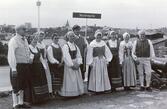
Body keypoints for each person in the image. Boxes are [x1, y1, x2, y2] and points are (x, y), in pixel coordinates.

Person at [8, 25, 31, 109]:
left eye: (25, 29)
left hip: (25, 65)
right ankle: (15, 104)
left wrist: (30, 58)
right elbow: (11, 55)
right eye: (23, 29)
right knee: (16, 85)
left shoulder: (25, 40)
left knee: (23, 84)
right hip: (17, 66)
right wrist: (13, 68)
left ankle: (21, 102)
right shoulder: (13, 40)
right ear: (17, 30)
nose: (25, 30)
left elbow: (27, 51)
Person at [59, 31, 84, 97]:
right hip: (69, 65)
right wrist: (71, 65)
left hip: (76, 64)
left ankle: (77, 92)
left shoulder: (75, 46)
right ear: (68, 37)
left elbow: (79, 55)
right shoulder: (65, 46)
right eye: (71, 36)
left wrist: (79, 63)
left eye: (73, 36)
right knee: (70, 79)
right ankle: (70, 93)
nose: (72, 37)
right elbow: (66, 56)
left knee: (76, 78)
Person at [29, 36, 49, 104]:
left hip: (40, 68)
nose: (34, 41)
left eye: (35, 40)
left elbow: (41, 58)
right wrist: (31, 58)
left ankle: (42, 98)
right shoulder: (28, 48)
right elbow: (29, 61)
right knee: (36, 82)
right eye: (33, 40)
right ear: (30, 40)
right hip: (33, 68)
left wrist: (44, 67)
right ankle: (35, 99)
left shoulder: (37, 48)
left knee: (42, 81)